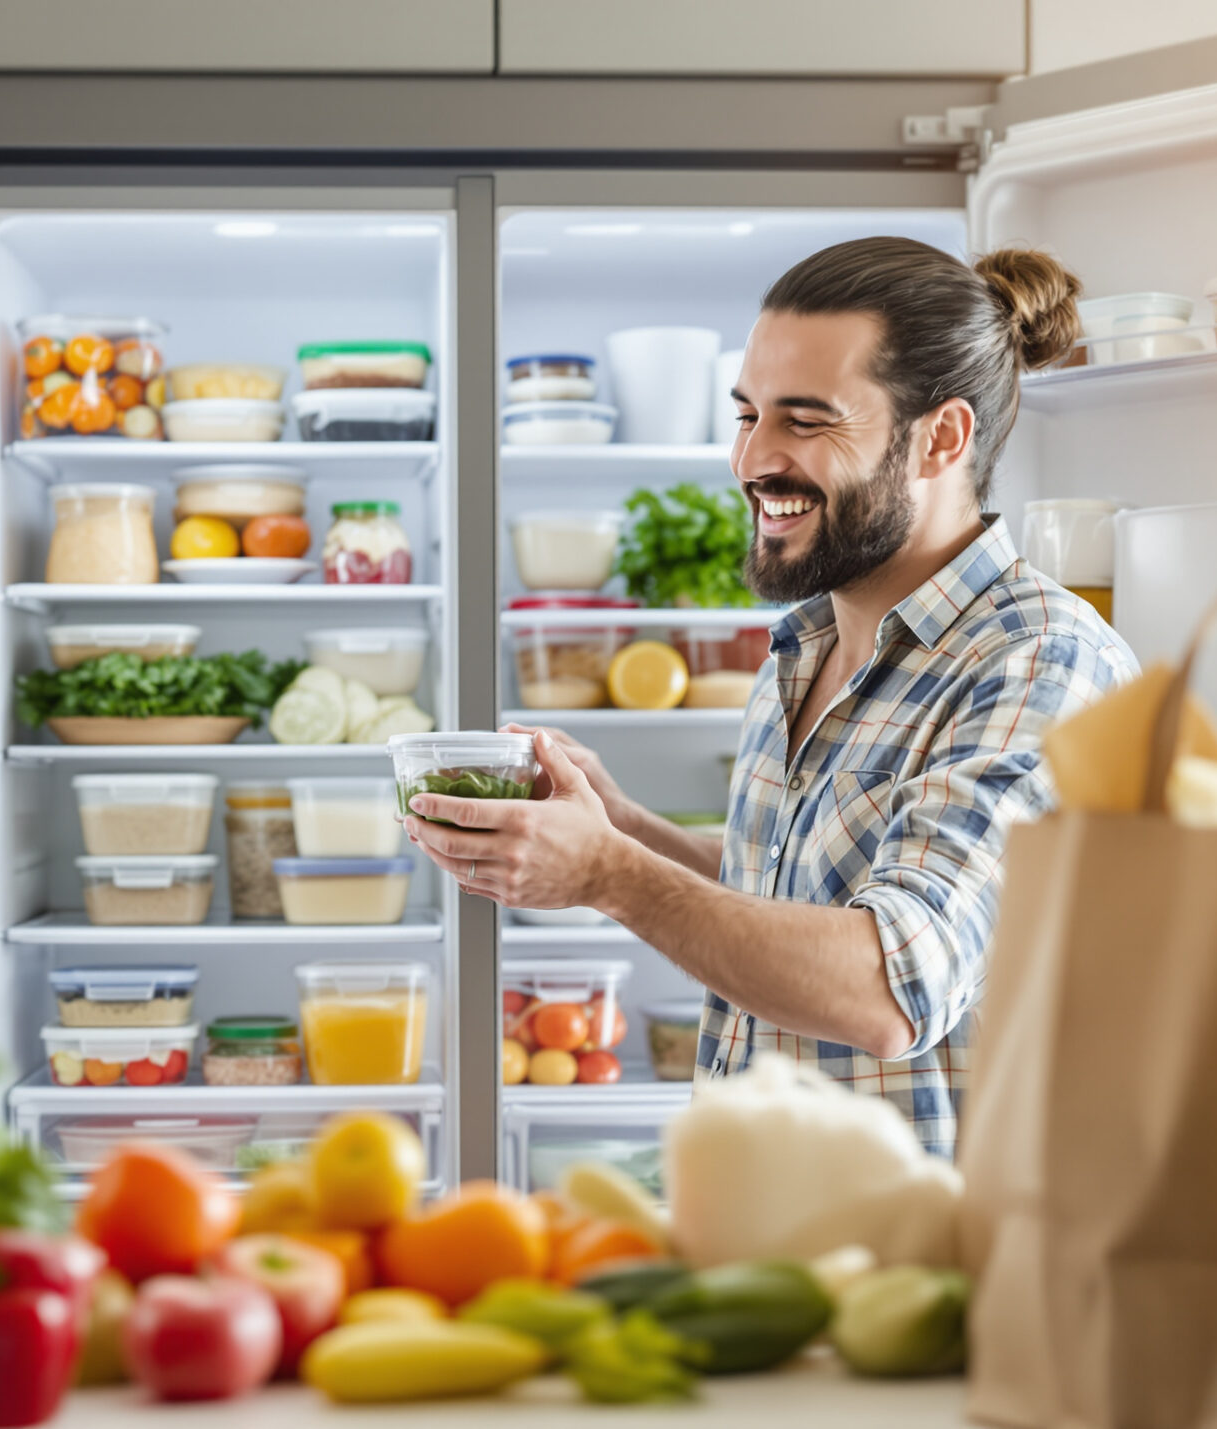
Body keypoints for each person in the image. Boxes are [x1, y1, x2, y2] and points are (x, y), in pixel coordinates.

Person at [403, 238, 1139, 1155]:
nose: (752, 459)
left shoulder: (1040, 664)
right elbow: (805, 887)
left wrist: (608, 873)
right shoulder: (808, 643)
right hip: (772, 1245)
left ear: (941, 438)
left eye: (806, 420)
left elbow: (887, 983)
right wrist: (627, 828)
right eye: (748, 414)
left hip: (936, 1271)